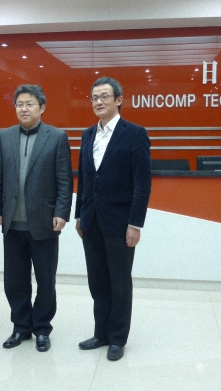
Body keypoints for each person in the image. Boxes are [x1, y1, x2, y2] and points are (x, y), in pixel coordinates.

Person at [0, 85, 73, 352]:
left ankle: (42, 329)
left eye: (29, 104)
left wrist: (61, 212)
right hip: (13, 223)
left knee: (46, 281)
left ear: (42, 107)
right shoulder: (4, 137)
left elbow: (65, 180)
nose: (23, 109)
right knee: (15, 281)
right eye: (19, 104)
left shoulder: (56, 137)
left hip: (44, 222)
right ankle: (21, 327)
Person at [75, 77, 152, 361]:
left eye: (104, 96)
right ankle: (101, 333)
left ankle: (117, 338)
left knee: (119, 281)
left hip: (120, 222)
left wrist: (135, 224)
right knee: (97, 281)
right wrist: (79, 215)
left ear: (118, 100)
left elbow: (142, 184)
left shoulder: (135, 134)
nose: (99, 101)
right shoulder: (87, 135)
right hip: (91, 219)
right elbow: (84, 179)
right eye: (94, 97)